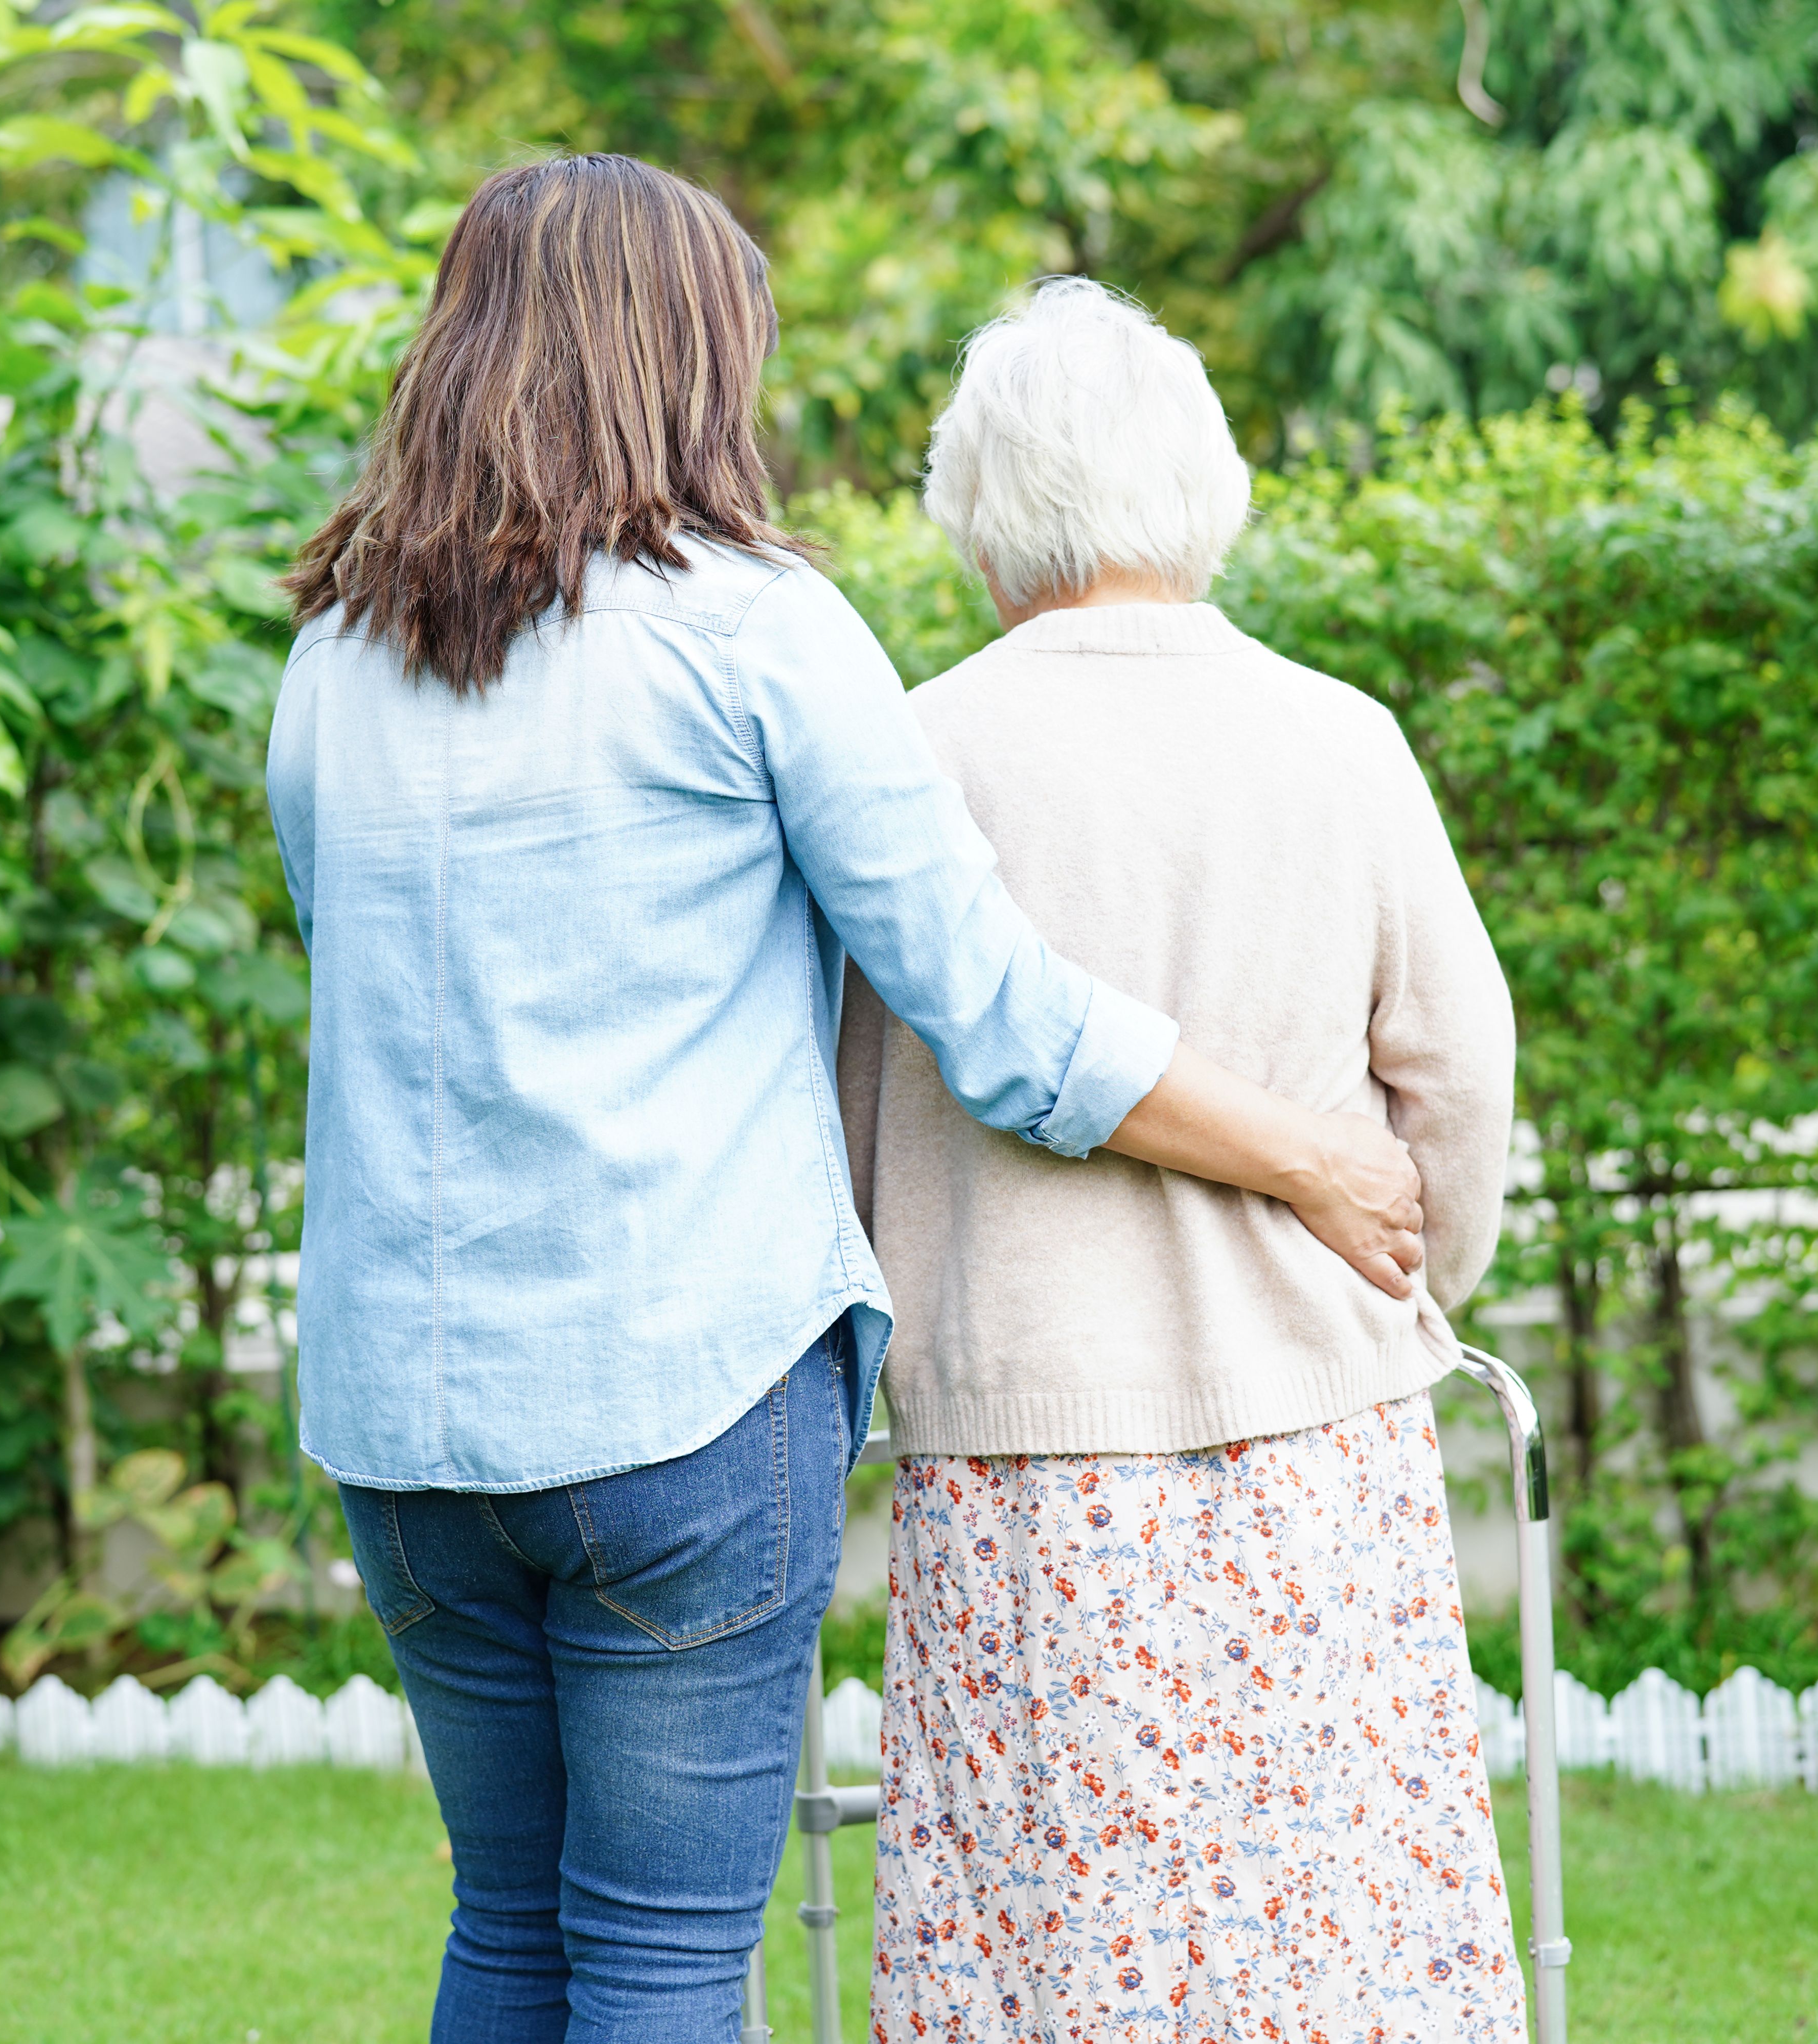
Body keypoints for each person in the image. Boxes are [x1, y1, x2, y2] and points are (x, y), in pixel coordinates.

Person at [265, 157, 1429, 2044]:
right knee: (654, 1956)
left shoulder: (333, 659)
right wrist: (1308, 1152)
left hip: (406, 1433)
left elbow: (372, 986)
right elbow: (1007, 1023)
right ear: (690, 358)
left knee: (508, 1933)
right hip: (679, 1408)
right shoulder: (753, 631)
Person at [839, 279, 1525, 2043]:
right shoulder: (1337, 734)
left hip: (1024, 1458)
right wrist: (1412, 1282)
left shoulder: (917, 753)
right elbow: (1457, 1068)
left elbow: (847, 1108)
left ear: (979, 508)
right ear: (1205, 481)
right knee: (1343, 1942)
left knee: (1052, 1959)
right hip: (1322, 1435)